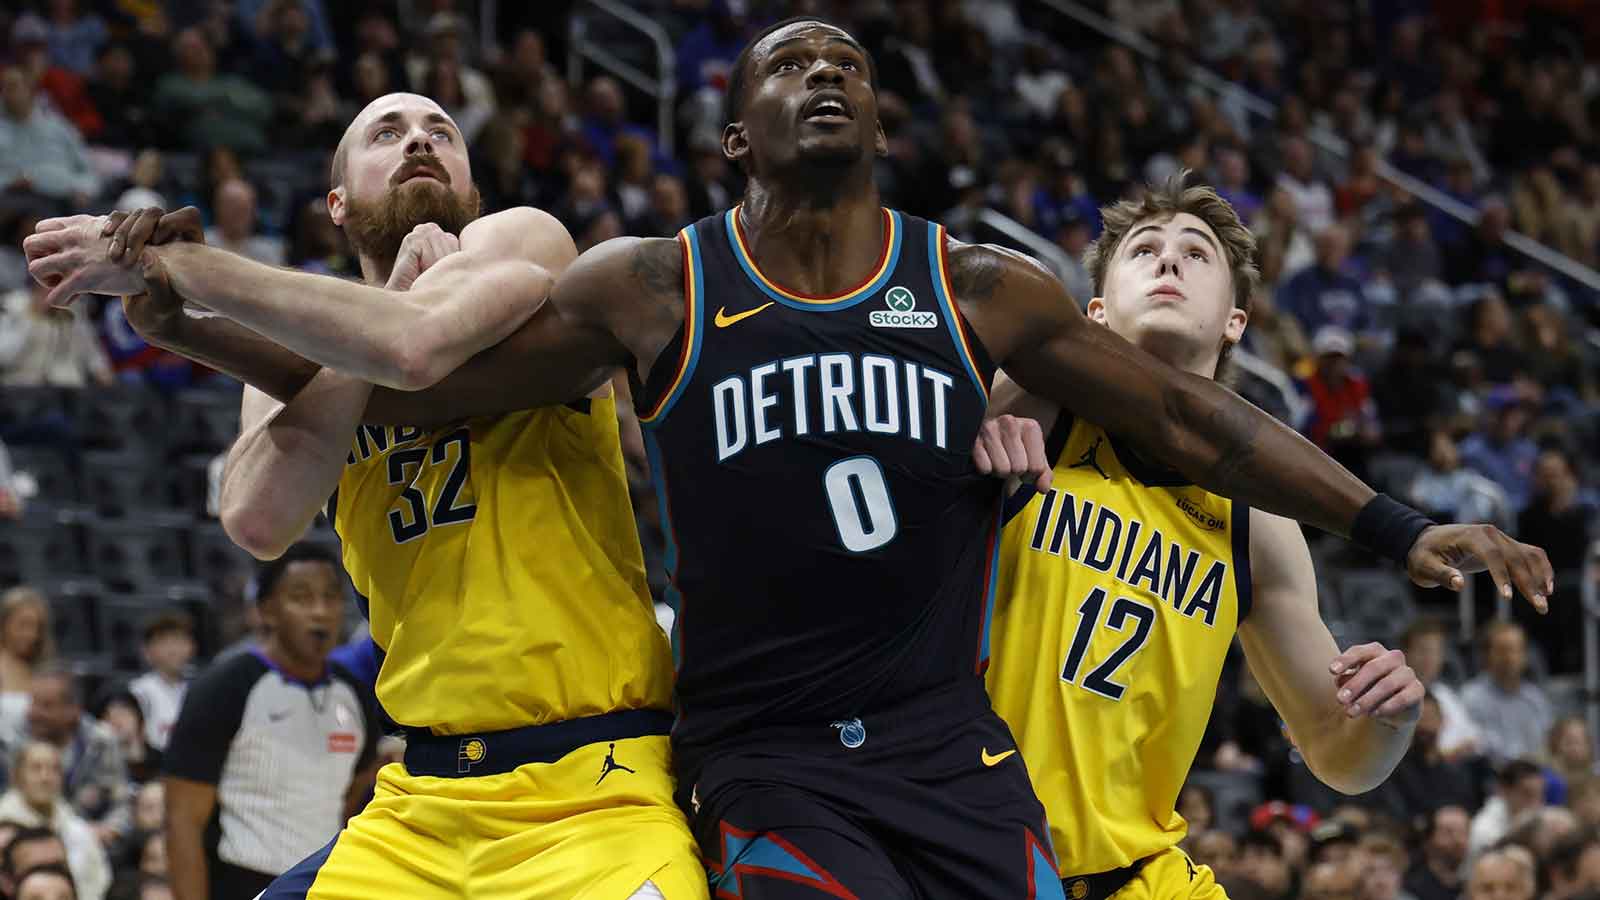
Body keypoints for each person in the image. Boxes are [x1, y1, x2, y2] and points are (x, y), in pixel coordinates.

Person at [30, 17, 1553, 898]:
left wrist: (1399, 524)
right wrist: (191, 305)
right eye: (787, 63)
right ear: (737, 141)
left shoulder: (977, 291)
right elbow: (416, 393)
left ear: (883, 128)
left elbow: (1194, 422)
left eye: (851, 65)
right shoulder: (653, 281)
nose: (825, 72)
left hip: (946, 759)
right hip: (757, 756)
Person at [31, 91, 703, 900]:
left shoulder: (522, 241)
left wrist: (181, 278)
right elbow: (257, 518)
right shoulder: (296, 337)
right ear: (338, 204)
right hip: (425, 801)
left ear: (471, 188)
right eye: (387, 133)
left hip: (593, 783)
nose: (419, 139)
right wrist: (376, 308)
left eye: (441, 132)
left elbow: (416, 350)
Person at [980, 178, 1423, 900]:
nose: (1169, 261)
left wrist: (1390, 720)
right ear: (1094, 310)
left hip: (1137, 875)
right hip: (959, 849)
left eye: (1197, 253)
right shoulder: (1023, 407)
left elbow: (1338, 754)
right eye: (1144, 249)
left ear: (1235, 322)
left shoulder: (1257, 519)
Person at [163, 544, 380, 900]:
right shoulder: (225, 686)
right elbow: (182, 821)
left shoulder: (355, 694)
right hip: (241, 883)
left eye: (331, 597)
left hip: (324, 883)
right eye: (301, 597)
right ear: (267, 611)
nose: (320, 612)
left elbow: (353, 793)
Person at [9, 668, 129, 843]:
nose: (33, 713)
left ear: (73, 710)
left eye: (46, 706)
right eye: (33, 703)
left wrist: (110, 829)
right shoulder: (13, 741)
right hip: (26, 837)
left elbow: (121, 802)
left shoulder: (101, 741)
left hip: (92, 840)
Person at [0, 743, 111, 900]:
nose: (45, 777)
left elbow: (97, 884)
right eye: (36, 768)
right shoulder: (2, 827)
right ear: (17, 775)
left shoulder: (78, 831)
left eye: (54, 769)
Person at [1461, 622, 1553, 766]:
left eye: (1517, 650)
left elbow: (1546, 742)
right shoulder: (1472, 696)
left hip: (1534, 772)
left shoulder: (1535, 697)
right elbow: (1478, 747)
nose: (1510, 657)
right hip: (1492, 776)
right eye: (1503, 650)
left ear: (1525, 656)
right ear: (1487, 655)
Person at [126, 613, 195, 761]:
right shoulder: (139, 691)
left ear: (191, 647)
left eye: (178, 641)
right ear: (147, 651)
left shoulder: (198, 690)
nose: (173, 650)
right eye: (164, 642)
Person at [0, 588, 52, 736]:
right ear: (4, 624)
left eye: (37, 627)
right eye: (23, 625)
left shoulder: (46, 671)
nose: (32, 635)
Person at [1405, 806, 1470, 900]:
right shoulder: (1412, 888)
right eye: (1448, 832)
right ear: (1428, 840)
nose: (1458, 840)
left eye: (1463, 832)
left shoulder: (1472, 882)